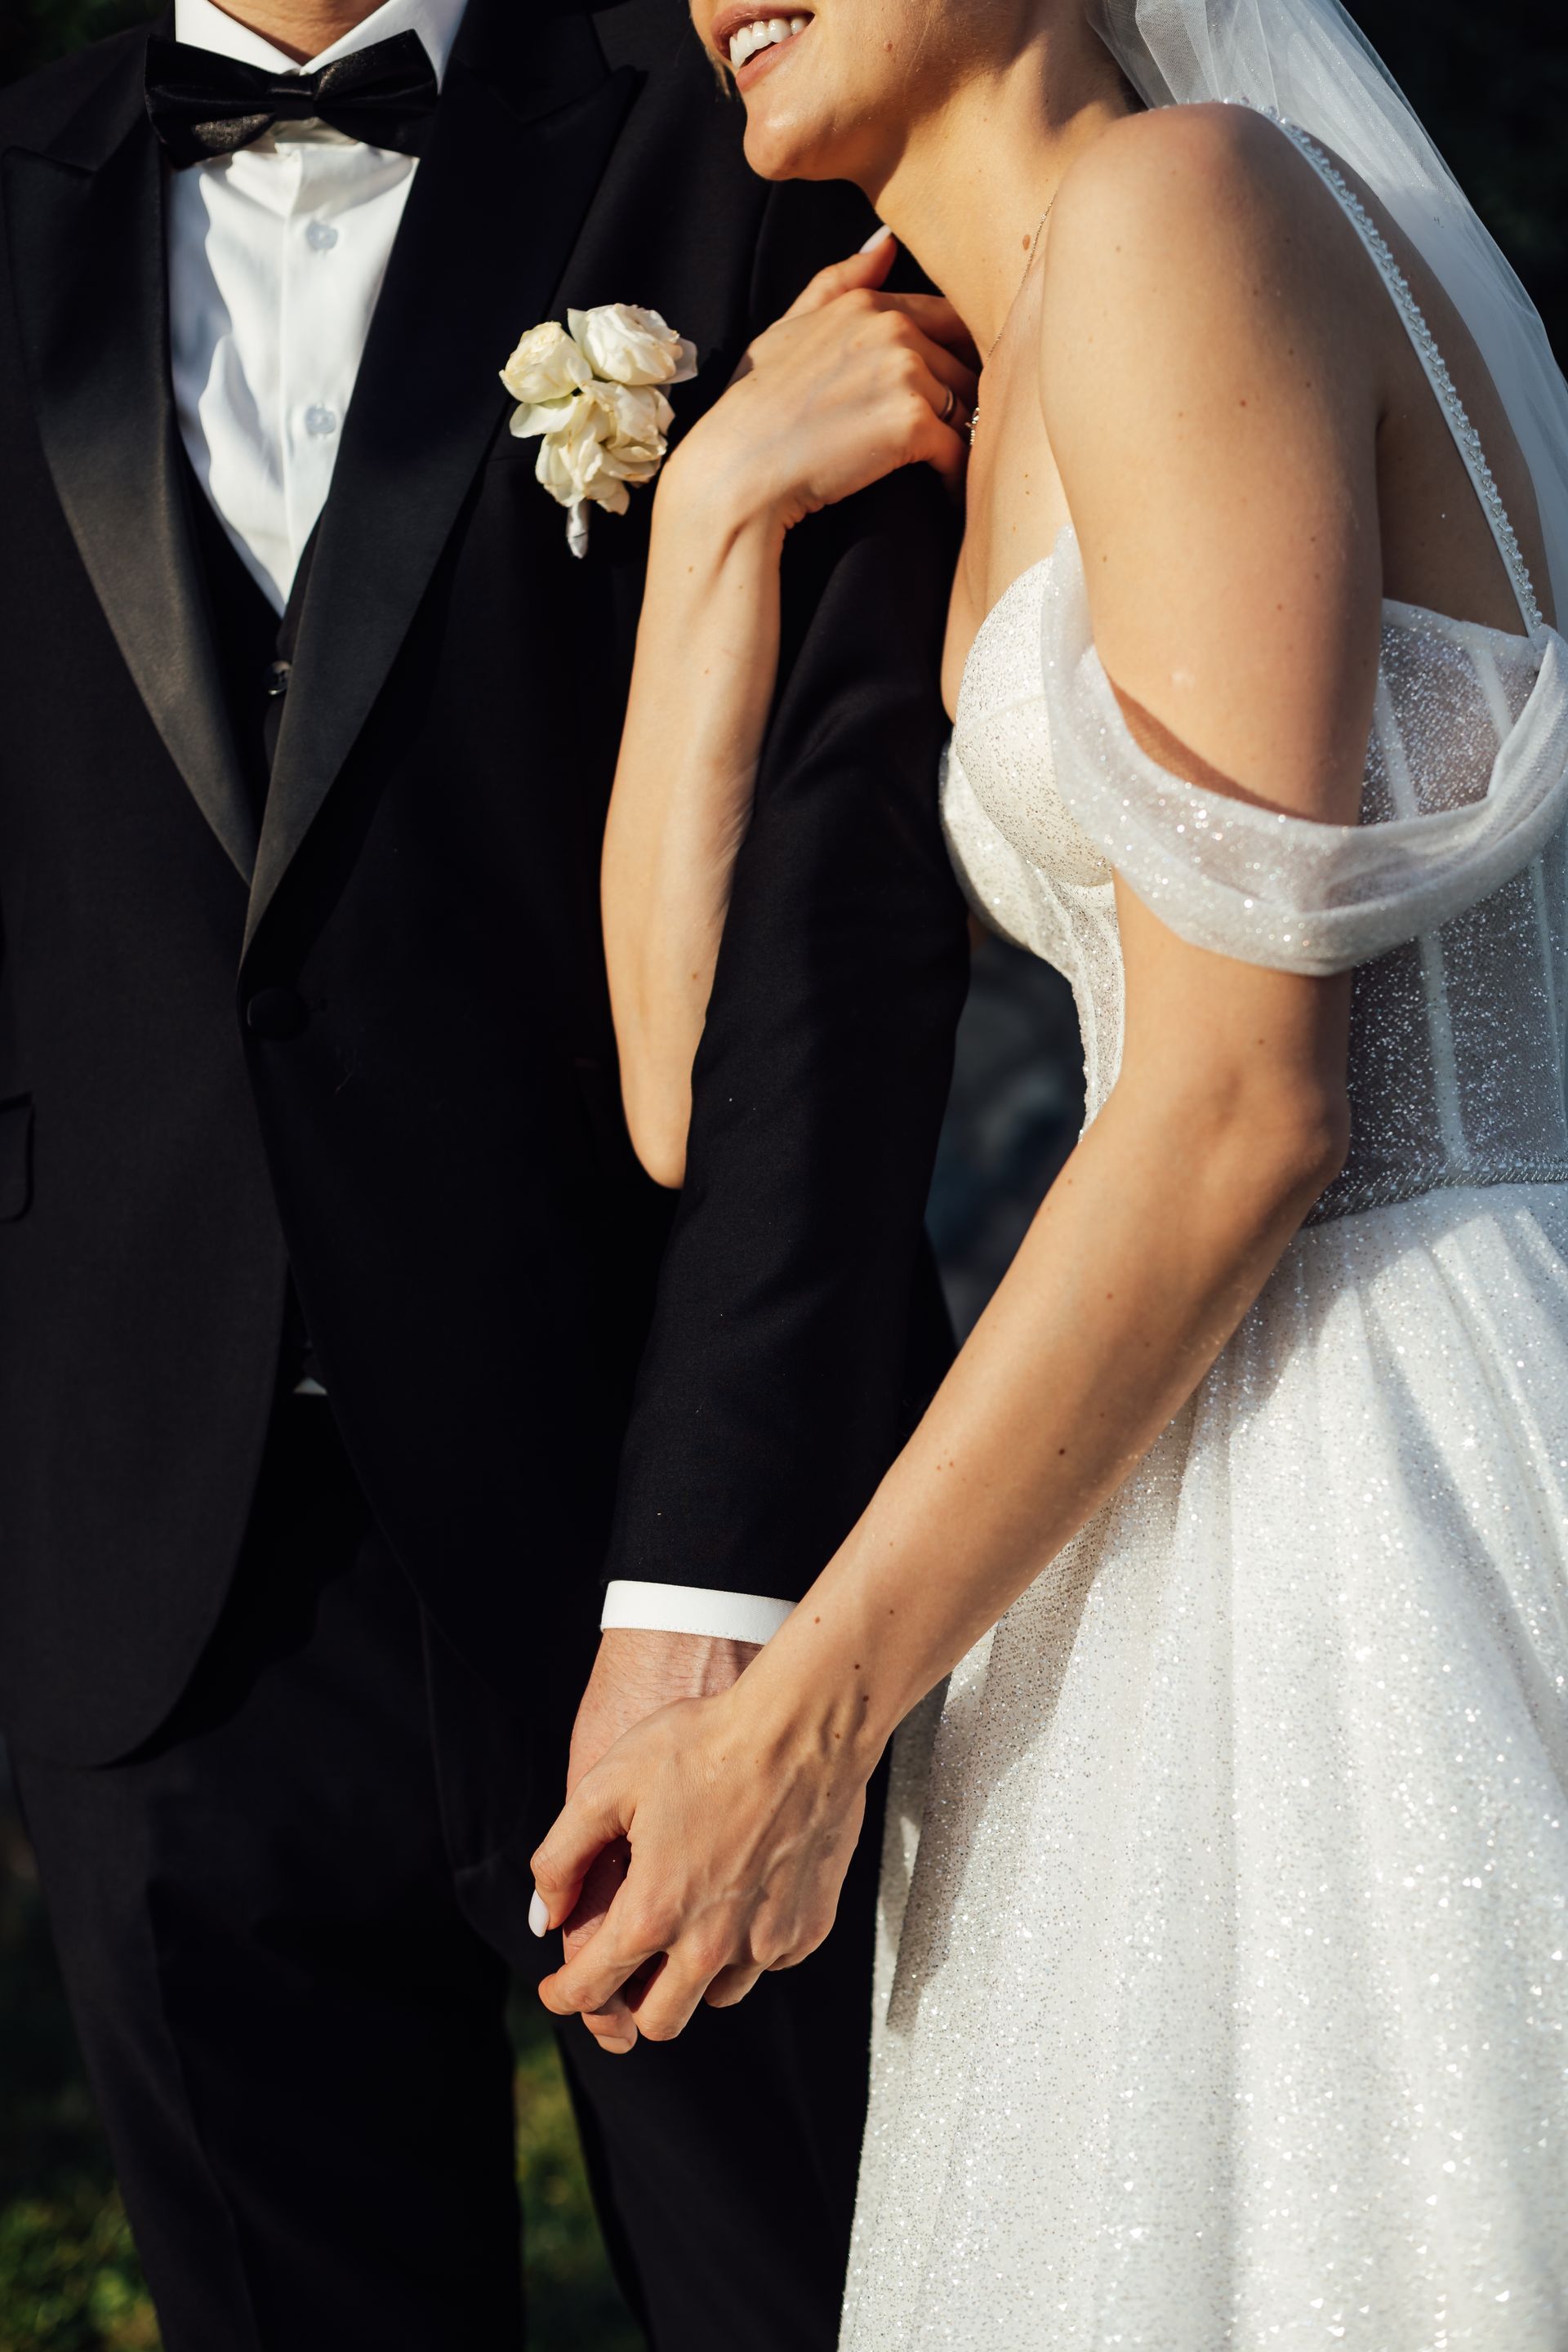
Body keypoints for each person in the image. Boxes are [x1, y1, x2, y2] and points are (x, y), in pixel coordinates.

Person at [532, 0, 1568, 2340]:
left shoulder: (1184, 207)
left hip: (1377, 1459)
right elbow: (686, 1094)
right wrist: (712, 524)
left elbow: (1242, 1103)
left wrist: (810, 1714)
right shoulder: (980, 384)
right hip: (1149, 1475)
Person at [0, 0, 971, 2341]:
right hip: (155, 1606)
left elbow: (833, 951)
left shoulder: (746, 129)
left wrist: (716, 1590)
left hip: (672, 1525)